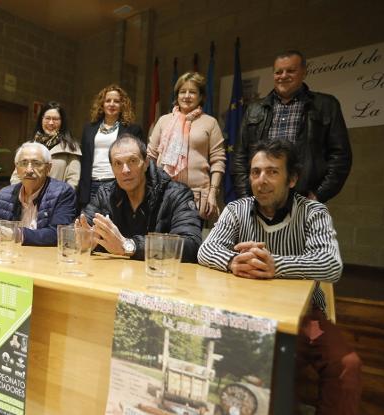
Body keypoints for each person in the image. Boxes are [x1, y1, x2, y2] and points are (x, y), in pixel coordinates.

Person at [198, 140, 361, 414]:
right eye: (255, 172)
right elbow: (206, 249)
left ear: (292, 178)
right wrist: (233, 261)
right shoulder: (236, 210)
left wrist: (275, 266)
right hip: (248, 315)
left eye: (272, 172)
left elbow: (331, 264)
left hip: (305, 319)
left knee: (347, 365)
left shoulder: (313, 212)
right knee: (274, 368)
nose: (261, 180)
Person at [233, 50, 352, 203]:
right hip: (261, 198)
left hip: (305, 200)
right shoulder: (254, 109)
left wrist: (318, 195)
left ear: (303, 72)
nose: (283, 76)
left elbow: (340, 157)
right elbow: (240, 157)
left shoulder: (327, 105)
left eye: (290, 71)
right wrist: (246, 197)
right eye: (278, 72)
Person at [79, 134, 201, 262]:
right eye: (118, 163)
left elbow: (191, 245)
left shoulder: (177, 194)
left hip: (159, 276)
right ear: (112, 169)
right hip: (113, 276)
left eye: (132, 161)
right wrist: (84, 239)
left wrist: (129, 246)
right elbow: (81, 228)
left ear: (146, 162)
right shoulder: (105, 194)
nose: (125, 170)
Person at [148, 72, 226, 220]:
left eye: (193, 92)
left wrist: (213, 193)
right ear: (177, 95)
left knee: (190, 241)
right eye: (183, 91)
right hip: (162, 193)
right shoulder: (164, 121)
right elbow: (150, 156)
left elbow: (218, 161)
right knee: (162, 240)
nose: (187, 96)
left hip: (195, 195)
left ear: (201, 96)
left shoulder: (210, 122)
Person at [0, 142, 76, 246]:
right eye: (23, 163)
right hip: (10, 258)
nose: (29, 170)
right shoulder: (5, 194)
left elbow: (58, 233)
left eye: (36, 163)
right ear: (17, 168)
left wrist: (17, 234)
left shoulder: (63, 193)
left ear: (48, 168)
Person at [79, 84, 143, 207]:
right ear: (102, 104)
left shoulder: (132, 129)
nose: (112, 104)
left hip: (117, 183)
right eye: (108, 101)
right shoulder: (89, 128)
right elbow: (84, 159)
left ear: (122, 105)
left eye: (116, 101)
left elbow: (138, 159)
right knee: (90, 223)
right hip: (91, 184)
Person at [11, 101, 82, 190]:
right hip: (27, 199)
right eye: (47, 118)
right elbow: (17, 175)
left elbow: (73, 180)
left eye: (55, 119)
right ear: (41, 120)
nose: (51, 123)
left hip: (55, 200)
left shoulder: (71, 148)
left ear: (62, 122)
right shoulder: (30, 146)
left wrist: (61, 199)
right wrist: (21, 196)